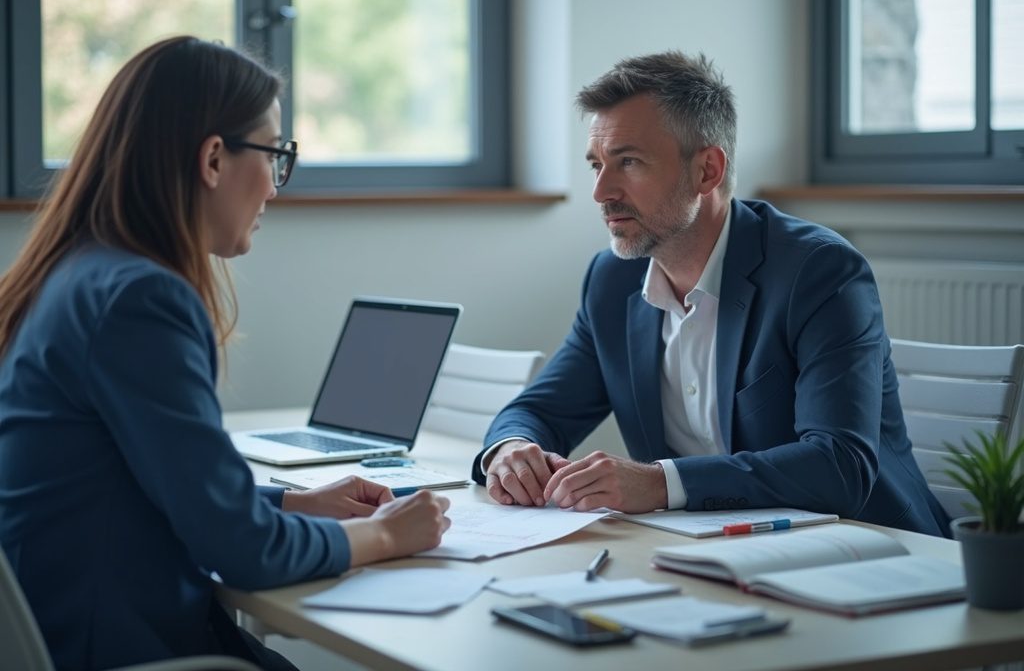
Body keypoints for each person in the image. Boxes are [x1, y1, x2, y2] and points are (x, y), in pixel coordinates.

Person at [0, 36, 451, 671]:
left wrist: (293, 502)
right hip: (124, 650)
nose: (274, 188)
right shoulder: (141, 300)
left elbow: (138, 486)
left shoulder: (76, 273)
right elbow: (243, 551)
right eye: (275, 154)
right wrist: (383, 533)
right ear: (213, 159)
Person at [473, 50, 949, 538]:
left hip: (869, 546)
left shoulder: (819, 272)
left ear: (707, 171)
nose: (601, 191)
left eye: (628, 162)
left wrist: (660, 484)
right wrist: (512, 450)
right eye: (596, 165)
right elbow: (539, 410)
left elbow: (839, 465)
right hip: (712, 551)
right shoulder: (612, 281)